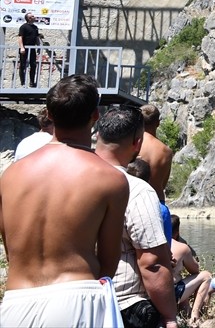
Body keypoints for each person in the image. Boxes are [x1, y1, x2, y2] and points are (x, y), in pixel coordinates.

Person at [0, 74, 129, 327]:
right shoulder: (109, 179)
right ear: (96, 116)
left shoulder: (10, 176)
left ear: (48, 113)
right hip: (77, 297)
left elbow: (9, 247)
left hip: (16, 302)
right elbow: (109, 261)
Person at [95, 106, 178, 328]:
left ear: (97, 135)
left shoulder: (71, 176)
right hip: (123, 302)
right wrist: (170, 316)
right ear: (137, 143)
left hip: (77, 298)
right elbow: (152, 262)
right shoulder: (139, 187)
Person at [170, 214, 213, 323]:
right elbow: (195, 270)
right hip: (171, 294)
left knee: (181, 281)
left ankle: (185, 315)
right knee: (206, 275)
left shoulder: (149, 245)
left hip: (150, 293)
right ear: (177, 231)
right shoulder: (181, 247)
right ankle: (195, 317)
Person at [140, 104, 175, 202]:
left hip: (135, 200)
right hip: (157, 201)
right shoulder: (166, 151)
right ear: (158, 123)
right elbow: (163, 183)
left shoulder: (132, 145)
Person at [18, 10, 42, 87]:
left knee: (33, 65)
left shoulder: (35, 27)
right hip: (25, 48)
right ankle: (23, 82)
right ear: (29, 18)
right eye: (32, 16)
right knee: (23, 65)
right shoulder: (23, 27)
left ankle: (32, 82)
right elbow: (20, 37)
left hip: (32, 49)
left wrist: (39, 46)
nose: (34, 17)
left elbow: (37, 38)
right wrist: (22, 47)